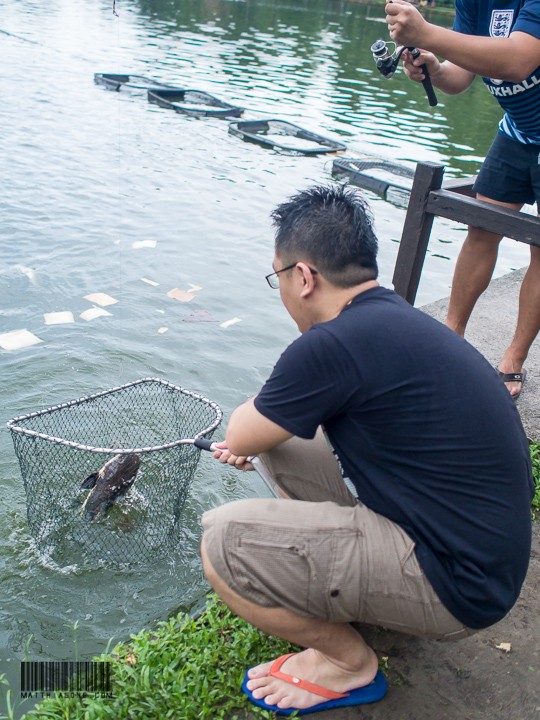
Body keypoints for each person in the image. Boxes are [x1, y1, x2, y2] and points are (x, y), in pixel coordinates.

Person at [200, 185, 534, 716]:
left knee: (224, 540)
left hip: (456, 588)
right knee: (287, 439)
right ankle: (351, 584)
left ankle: (349, 665)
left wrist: (258, 425)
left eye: (278, 277)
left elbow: (240, 435)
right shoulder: (394, 319)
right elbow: (268, 435)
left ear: (304, 277)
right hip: (482, 560)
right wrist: (269, 426)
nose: (282, 291)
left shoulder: (331, 344)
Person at [385, 0, 540, 399]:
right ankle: (451, 339)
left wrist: (425, 33)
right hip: (518, 132)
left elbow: (518, 60)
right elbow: (461, 76)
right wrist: (436, 68)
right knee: (482, 229)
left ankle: (513, 360)